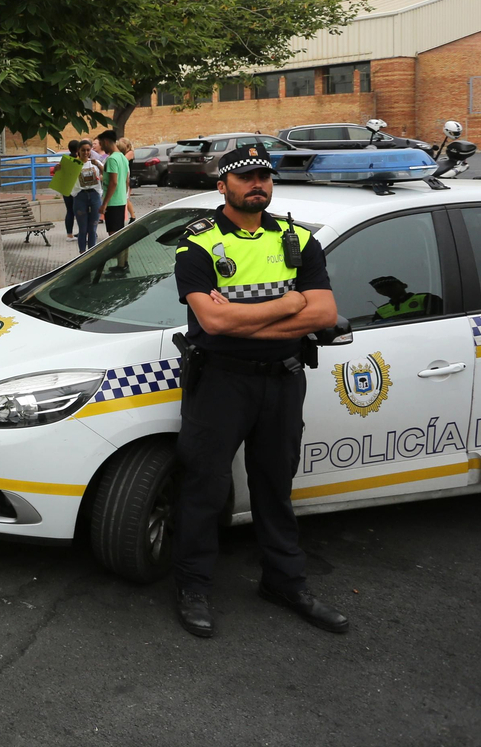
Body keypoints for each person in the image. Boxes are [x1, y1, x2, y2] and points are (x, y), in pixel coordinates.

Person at [172, 144, 346, 639]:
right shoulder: (198, 244)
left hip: (285, 381)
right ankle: (194, 587)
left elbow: (324, 315)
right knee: (204, 489)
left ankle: (285, 582)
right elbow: (212, 320)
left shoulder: (299, 240)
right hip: (221, 382)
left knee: (275, 488)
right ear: (222, 185)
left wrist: (244, 322)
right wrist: (288, 305)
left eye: (264, 177)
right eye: (245, 176)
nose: (257, 184)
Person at [51, 140, 84, 241]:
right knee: (80, 211)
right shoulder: (81, 160)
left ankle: (69, 234)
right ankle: (83, 232)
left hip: (67, 188)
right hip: (78, 189)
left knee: (69, 211)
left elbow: (57, 172)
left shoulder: (65, 159)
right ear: (79, 149)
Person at [73, 149, 104, 253]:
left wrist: (99, 166)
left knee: (92, 229)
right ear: (79, 151)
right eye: (83, 150)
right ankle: (82, 253)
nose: (86, 152)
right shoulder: (74, 164)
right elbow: (61, 174)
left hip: (94, 194)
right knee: (82, 229)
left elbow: (106, 174)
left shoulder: (95, 162)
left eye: (88, 150)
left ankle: (91, 254)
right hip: (80, 195)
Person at [100, 130, 130, 235]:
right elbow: (127, 181)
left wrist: (105, 203)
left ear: (106, 141)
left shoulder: (111, 159)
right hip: (121, 200)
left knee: (113, 235)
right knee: (119, 234)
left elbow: (113, 182)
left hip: (112, 202)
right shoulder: (123, 157)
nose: (102, 147)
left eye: (101, 144)